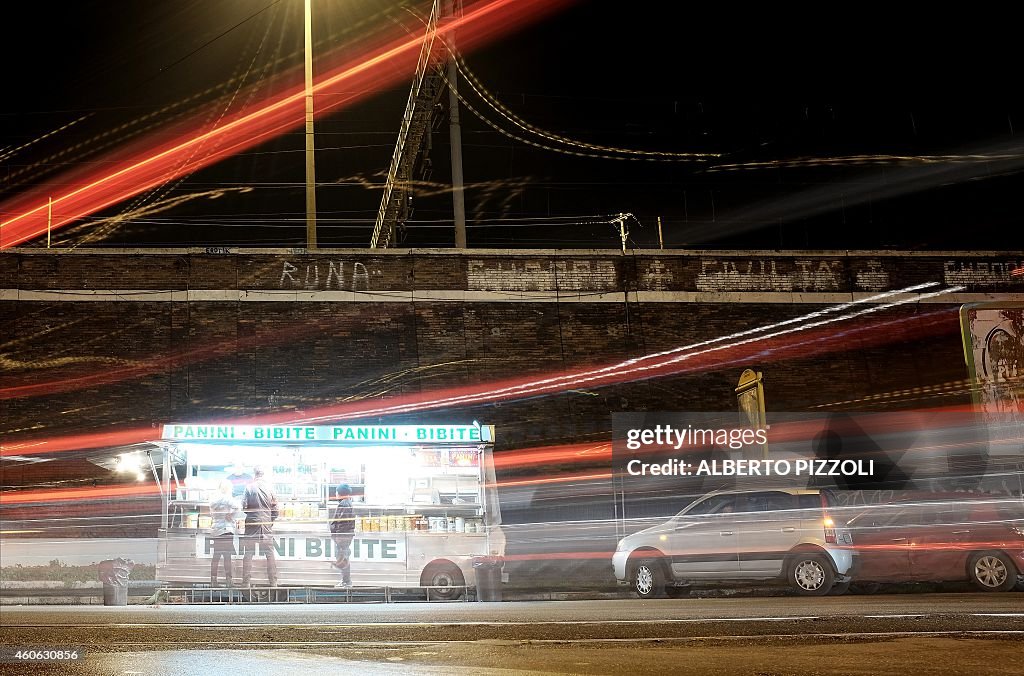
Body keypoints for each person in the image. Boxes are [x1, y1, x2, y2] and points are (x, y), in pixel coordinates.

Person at [241, 466, 279, 587]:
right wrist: (269, 520)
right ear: (264, 475)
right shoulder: (270, 488)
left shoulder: (249, 487)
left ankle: (246, 582)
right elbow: (276, 510)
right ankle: (273, 582)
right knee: (269, 553)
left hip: (252, 524)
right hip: (266, 525)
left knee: (248, 553)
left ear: (255, 475)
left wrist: (252, 514)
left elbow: (244, 506)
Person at [209, 480, 243, 587]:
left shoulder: (213, 498)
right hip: (226, 529)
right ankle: (229, 581)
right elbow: (238, 506)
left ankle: (213, 580)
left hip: (216, 530)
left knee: (216, 556)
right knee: (227, 556)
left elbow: (211, 512)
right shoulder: (227, 498)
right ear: (227, 488)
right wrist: (231, 514)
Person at [330, 484, 355, 588]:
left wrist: (337, 536)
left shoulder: (343, 504)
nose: (335, 493)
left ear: (340, 493)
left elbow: (342, 523)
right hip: (345, 535)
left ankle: (346, 582)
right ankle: (345, 581)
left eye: (336, 491)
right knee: (343, 557)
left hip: (343, 536)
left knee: (343, 558)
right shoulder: (347, 502)